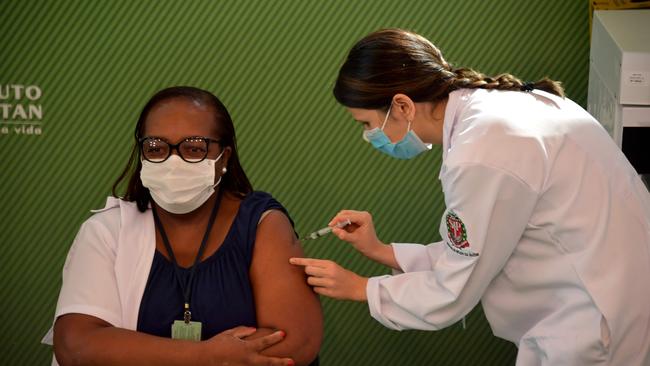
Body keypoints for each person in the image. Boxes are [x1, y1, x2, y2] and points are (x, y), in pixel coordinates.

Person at [290, 29, 650, 365]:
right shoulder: (498, 110)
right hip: (605, 294)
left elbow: (455, 288)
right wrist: (379, 250)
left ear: (401, 106)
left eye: (367, 124)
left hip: (597, 323)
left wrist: (361, 288)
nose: (369, 137)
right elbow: (478, 247)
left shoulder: (481, 151)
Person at [44, 86, 323, 365]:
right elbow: (75, 346)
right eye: (156, 148)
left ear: (223, 158)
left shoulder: (262, 223)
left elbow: (296, 341)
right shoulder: (106, 231)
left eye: (193, 149)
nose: (173, 162)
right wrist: (207, 357)